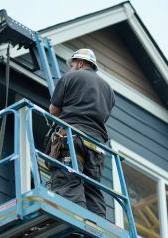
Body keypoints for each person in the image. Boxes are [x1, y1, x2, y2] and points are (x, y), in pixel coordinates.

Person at [48, 48, 115, 218]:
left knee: (68, 180)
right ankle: (97, 226)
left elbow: (54, 110)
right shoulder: (109, 90)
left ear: (79, 63)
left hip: (72, 138)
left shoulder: (70, 77)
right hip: (98, 146)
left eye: (72, 65)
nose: (71, 68)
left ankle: (72, 220)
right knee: (92, 187)